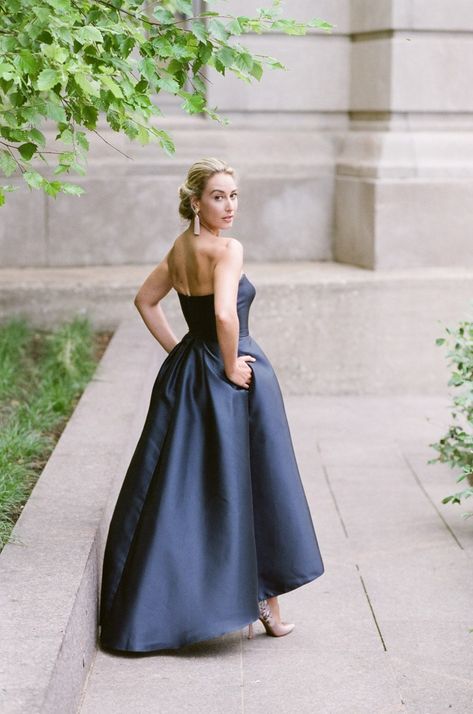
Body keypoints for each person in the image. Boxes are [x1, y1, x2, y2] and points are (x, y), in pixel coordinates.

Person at [98, 157, 324, 652]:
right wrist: (227, 365)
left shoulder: (180, 250)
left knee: (192, 487)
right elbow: (224, 312)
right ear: (196, 201)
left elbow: (146, 300)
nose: (229, 206)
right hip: (230, 372)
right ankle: (257, 603)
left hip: (188, 375)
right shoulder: (227, 250)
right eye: (218, 196)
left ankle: (260, 603)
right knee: (251, 483)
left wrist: (180, 351)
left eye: (234, 195)